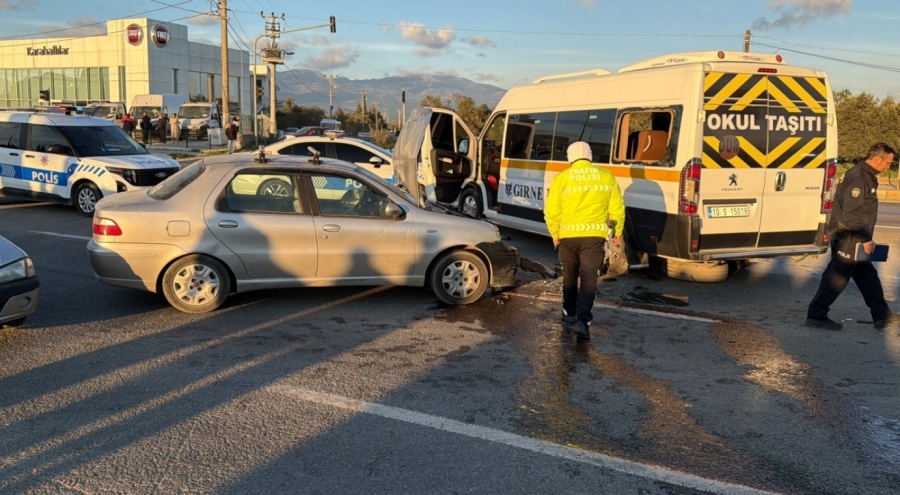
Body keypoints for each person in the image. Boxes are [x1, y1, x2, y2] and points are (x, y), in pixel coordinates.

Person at [807, 142, 900, 331]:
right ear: (876, 159)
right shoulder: (859, 177)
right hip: (849, 238)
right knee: (836, 277)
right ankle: (816, 315)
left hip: (855, 238)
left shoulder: (865, 175)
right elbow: (851, 213)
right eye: (888, 163)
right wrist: (866, 238)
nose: (889, 166)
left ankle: (882, 315)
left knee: (867, 276)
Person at [544, 141, 625, 340]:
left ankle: (568, 312)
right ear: (590, 156)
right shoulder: (606, 177)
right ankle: (583, 321)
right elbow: (617, 210)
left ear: (570, 158)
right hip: (593, 238)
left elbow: (552, 211)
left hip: (568, 237)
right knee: (589, 278)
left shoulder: (561, 178)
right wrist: (617, 233)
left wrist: (555, 234)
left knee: (570, 275)